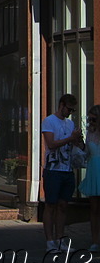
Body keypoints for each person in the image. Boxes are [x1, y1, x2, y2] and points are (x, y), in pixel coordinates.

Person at [42, 93, 84, 252]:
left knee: (63, 205)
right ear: (61, 105)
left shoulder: (70, 124)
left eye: (73, 110)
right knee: (50, 205)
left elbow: (75, 144)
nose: (70, 113)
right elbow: (51, 144)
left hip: (67, 169)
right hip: (53, 169)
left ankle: (60, 239)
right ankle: (49, 241)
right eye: (69, 109)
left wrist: (77, 139)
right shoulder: (49, 121)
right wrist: (70, 138)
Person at [78, 104, 100, 252]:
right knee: (94, 209)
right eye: (89, 119)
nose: (90, 122)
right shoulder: (90, 133)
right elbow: (86, 152)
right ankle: (95, 241)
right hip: (94, 171)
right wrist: (79, 144)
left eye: (93, 119)